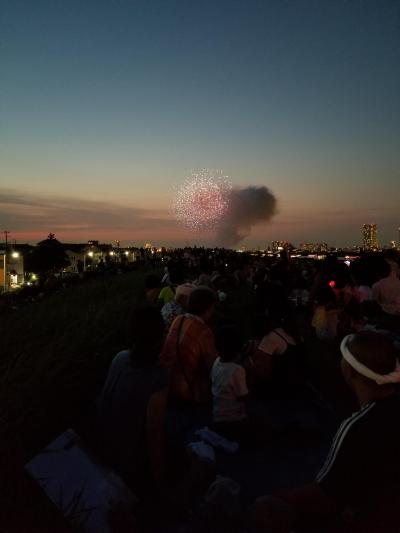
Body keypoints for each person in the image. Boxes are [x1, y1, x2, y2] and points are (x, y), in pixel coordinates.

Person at [252, 331, 400, 532]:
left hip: (363, 516)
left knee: (264, 507)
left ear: (349, 370)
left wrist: (280, 495)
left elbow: (323, 495)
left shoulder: (357, 426)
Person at [96, 305, 168, 495]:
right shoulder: (159, 378)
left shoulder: (119, 358)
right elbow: (154, 435)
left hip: (102, 454)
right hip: (129, 467)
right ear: (161, 336)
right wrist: (160, 483)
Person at [160, 286, 218, 405]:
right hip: (188, 392)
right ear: (207, 309)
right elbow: (212, 365)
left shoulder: (178, 320)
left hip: (165, 385)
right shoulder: (204, 332)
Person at [211, 325, 249, 439]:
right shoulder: (237, 370)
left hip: (217, 416)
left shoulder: (216, 362)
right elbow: (243, 396)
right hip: (234, 419)